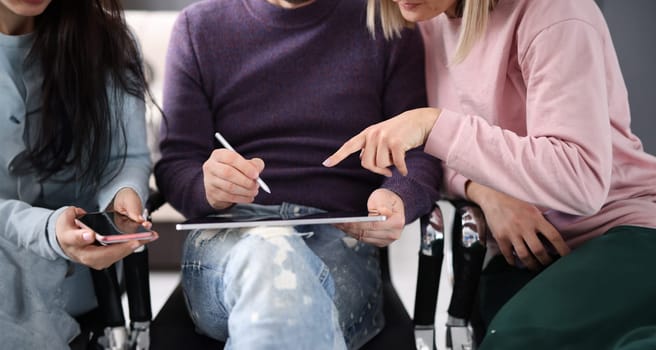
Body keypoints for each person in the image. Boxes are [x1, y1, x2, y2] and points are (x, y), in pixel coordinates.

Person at [323, 0, 656, 348]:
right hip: (529, 254)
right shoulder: (428, 19)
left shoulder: (555, 11)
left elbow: (582, 180)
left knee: (516, 339)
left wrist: (432, 123)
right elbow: (447, 157)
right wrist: (483, 191)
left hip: (620, 232)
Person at [154, 0, 442, 348]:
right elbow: (176, 163)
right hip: (229, 239)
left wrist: (397, 196)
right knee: (273, 267)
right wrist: (206, 186)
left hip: (340, 240)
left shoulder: (387, 25)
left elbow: (417, 154)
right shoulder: (198, 28)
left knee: (283, 302)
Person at [0, 0, 156, 349]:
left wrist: (123, 197)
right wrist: (47, 230)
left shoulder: (108, 40)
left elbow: (125, 158)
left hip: (80, 283)